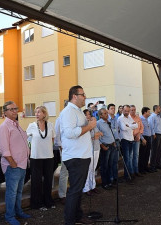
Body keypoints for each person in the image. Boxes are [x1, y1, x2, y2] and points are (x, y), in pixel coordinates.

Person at [60, 85, 96, 225]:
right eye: (83, 94)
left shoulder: (78, 111)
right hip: (76, 157)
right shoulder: (68, 111)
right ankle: (69, 220)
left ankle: (78, 216)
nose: (85, 97)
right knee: (75, 190)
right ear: (74, 96)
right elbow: (70, 133)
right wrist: (90, 126)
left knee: (78, 189)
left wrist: (89, 123)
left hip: (82, 155)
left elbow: (80, 128)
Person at [0, 101, 31, 225]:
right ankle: (9, 216)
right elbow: (4, 149)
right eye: (11, 109)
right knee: (11, 193)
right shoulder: (4, 127)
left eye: (16, 109)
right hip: (13, 166)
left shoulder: (16, 125)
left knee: (19, 191)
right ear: (5, 112)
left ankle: (18, 211)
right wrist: (12, 163)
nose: (15, 111)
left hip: (22, 164)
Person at [27, 106, 56, 210]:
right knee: (36, 181)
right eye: (35, 112)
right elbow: (27, 139)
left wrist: (46, 148)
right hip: (36, 157)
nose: (36, 114)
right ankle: (37, 204)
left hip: (48, 156)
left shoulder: (51, 125)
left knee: (48, 180)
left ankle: (48, 201)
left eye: (39, 112)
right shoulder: (32, 126)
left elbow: (52, 139)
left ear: (44, 113)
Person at [83, 109, 102, 195]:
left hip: (96, 148)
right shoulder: (84, 125)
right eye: (86, 115)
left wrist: (94, 136)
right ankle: (86, 188)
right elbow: (88, 136)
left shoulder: (94, 125)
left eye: (89, 114)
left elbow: (100, 134)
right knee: (88, 169)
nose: (88, 116)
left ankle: (92, 186)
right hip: (89, 149)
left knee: (93, 169)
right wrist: (94, 136)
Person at [118, 105, 138, 184]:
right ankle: (127, 177)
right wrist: (131, 125)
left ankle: (130, 174)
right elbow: (123, 128)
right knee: (127, 159)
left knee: (130, 157)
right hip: (125, 140)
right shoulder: (120, 119)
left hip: (131, 139)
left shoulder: (129, 117)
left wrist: (129, 125)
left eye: (128, 111)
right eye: (125, 111)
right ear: (122, 110)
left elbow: (136, 125)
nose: (127, 112)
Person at [97, 108, 116, 190]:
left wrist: (114, 141)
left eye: (107, 113)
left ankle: (109, 181)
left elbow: (111, 133)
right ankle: (104, 183)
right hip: (105, 146)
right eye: (105, 113)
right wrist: (102, 146)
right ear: (100, 115)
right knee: (104, 166)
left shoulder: (108, 122)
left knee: (110, 165)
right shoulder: (98, 123)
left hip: (112, 145)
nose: (107, 115)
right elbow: (97, 137)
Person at [148, 105, 161, 171]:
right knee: (154, 151)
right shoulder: (152, 116)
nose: (160, 109)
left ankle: (157, 164)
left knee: (159, 150)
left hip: (160, 134)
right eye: (159, 108)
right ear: (155, 109)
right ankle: (152, 166)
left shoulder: (158, 116)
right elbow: (151, 126)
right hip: (155, 135)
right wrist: (153, 134)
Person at [107, 103, 120, 184]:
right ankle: (111, 178)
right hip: (110, 142)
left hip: (117, 140)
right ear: (108, 110)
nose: (113, 110)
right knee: (110, 162)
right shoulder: (106, 119)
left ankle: (115, 177)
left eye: (114, 108)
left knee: (116, 161)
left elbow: (117, 129)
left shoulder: (116, 118)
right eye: (111, 108)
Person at [129, 105, 144, 177]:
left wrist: (139, 134)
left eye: (134, 110)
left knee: (136, 155)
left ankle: (136, 171)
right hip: (130, 139)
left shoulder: (138, 118)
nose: (133, 111)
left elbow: (141, 127)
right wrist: (132, 135)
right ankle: (131, 172)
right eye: (131, 110)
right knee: (131, 156)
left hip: (137, 138)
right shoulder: (127, 118)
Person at [139, 107, 152, 174]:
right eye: (148, 112)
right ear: (145, 112)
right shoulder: (140, 119)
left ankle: (145, 167)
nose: (150, 113)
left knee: (147, 153)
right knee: (142, 154)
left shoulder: (147, 119)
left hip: (149, 137)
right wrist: (142, 139)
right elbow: (139, 130)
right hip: (144, 138)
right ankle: (141, 169)